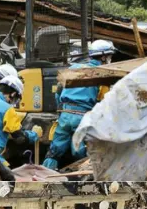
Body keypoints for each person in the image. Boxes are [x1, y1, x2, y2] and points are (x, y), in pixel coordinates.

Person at [42, 39, 115, 170]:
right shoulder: (101, 74)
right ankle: (82, 176)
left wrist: (62, 109)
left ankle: (44, 173)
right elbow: (103, 102)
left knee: (55, 150)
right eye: (109, 56)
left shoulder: (73, 68)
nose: (110, 59)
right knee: (80, 151)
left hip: (65, 115)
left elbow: (58, 90)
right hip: (82, 117)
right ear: (103, 57)